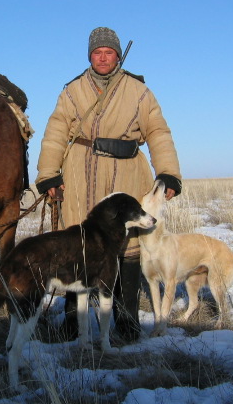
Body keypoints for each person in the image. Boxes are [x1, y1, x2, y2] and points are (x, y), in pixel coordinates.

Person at [35, 27, 182, 342]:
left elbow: (157, 130)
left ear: (118, 55)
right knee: (78, 243)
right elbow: (56, 131)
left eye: (108, 52)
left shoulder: (139, 92)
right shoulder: (73, 91)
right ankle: (73, 322)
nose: (102, 58)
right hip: (79, 173)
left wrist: (168, 172)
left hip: (127, 172)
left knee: (127, 248)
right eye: (97, 52)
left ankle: (126, 321)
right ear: (90, 56)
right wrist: (49, 173)